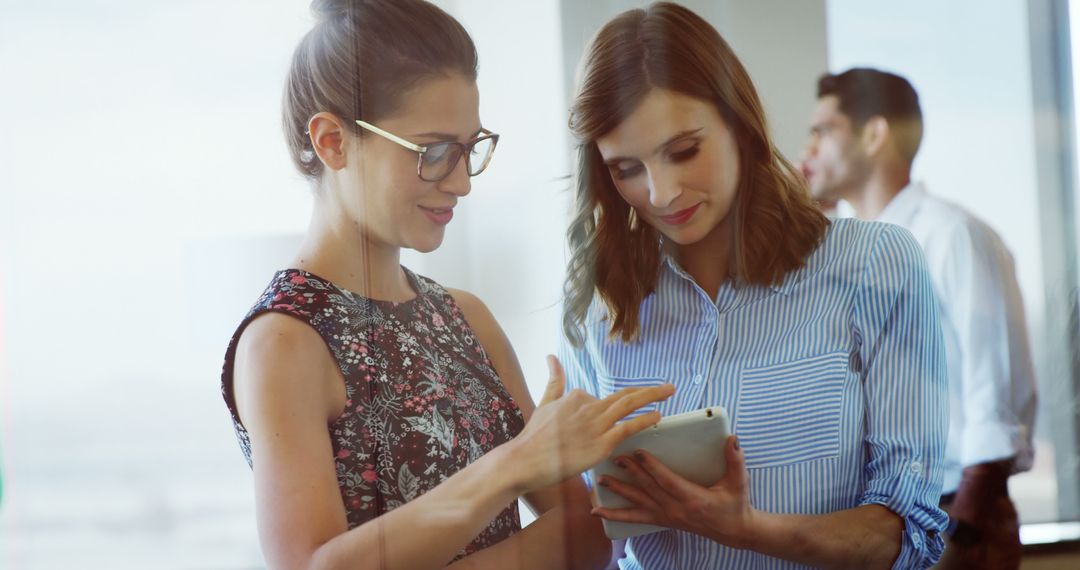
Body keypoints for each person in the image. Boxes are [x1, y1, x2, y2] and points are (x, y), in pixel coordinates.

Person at [219, 1, 676, 568]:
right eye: (432, 152)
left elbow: (585, 537)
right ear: (332, 142)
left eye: (468, 149)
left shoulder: (467, 317)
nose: (460, 182)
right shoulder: (284, 342)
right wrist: (514, 466)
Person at [558, 3, 950, 569]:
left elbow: (910, 535)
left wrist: (751, 531)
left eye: (684, 150)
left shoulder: (874, 265)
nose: (662, 192)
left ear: (739, 123)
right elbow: (597, 538)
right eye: (626, 169)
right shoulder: (599, 306)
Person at [801, 67, 1038, 569]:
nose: (809, 148)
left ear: (874, 133)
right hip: (869, 518)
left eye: (823, 130)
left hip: (952, 513)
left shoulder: (950, 235)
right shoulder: (837, 256)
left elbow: (991, 387)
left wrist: (964, 530)